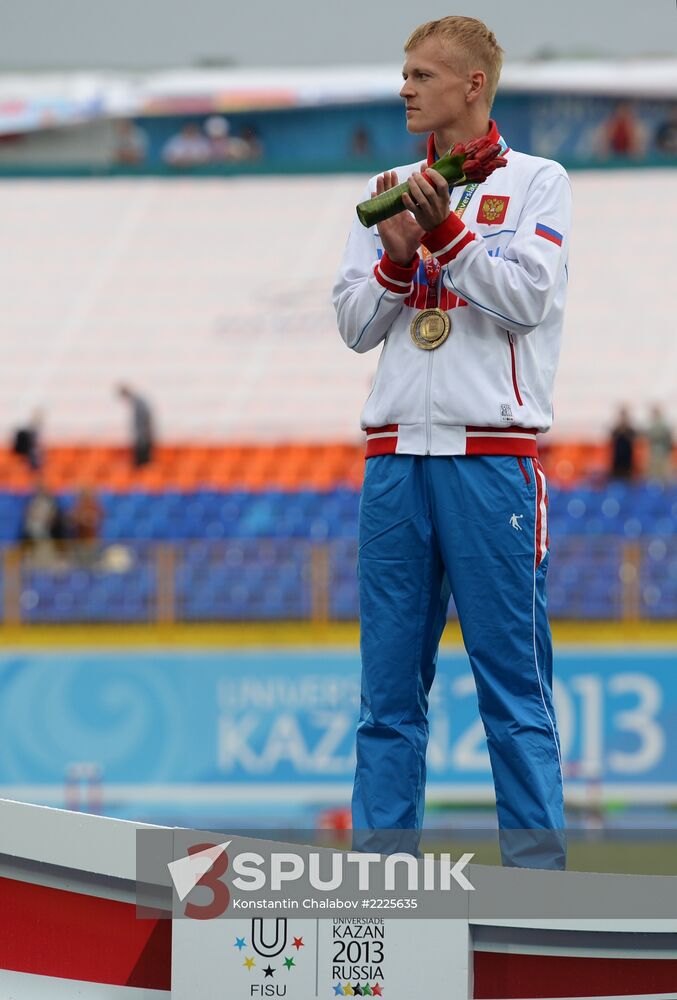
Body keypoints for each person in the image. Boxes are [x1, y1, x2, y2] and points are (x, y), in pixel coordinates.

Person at [333, 16, 571, 869]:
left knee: (514, 693)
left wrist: (444, 236)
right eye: (403, 73)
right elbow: (354, 324)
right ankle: (379, 886)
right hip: (394, 461)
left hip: (490, 464)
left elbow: (526, 299)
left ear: (472, 85)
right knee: (386, 698)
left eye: (422, 74)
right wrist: (398, 263)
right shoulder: (387, 184)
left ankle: (539, 894)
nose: (405, 88)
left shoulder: (539, 183)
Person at [116, 384, 155, 467]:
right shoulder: (139, 402)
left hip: (143, 438)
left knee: (142, 463)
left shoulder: (138, 403)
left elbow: (142, 423)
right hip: (144, 437)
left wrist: (142, 436)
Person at [645, 405, 673, 482]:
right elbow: (648, 436)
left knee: (664, 472)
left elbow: (668, 437)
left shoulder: (664, 424)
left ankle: (666, 489)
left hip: (664, 452)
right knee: (654, 473)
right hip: (653, 452)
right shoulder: (651, 425)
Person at [609, 406, 636, 480]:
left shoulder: (630, 428)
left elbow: (633, 437)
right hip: (618, 453)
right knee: (617, 472)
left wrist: (625, 432)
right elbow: (612, 437)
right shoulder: (616, 427)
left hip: (627, 453)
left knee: (627, 472)